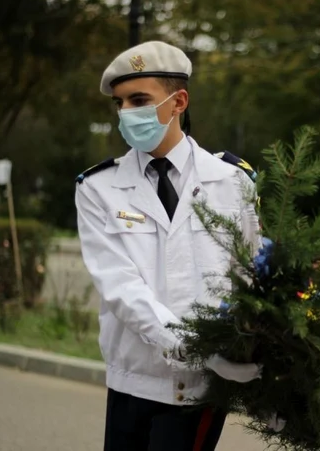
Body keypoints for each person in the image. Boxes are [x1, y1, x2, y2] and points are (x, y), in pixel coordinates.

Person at [75, 41, 262, 451]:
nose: (126, 113)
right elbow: (119, 284)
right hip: (133, 378)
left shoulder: (233, 182)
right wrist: (188, 344)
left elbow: (250, 275)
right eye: (120, 103)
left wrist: (255, 345)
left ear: (179, 101)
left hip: (201, 389)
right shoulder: (99, 188)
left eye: (139, 100)